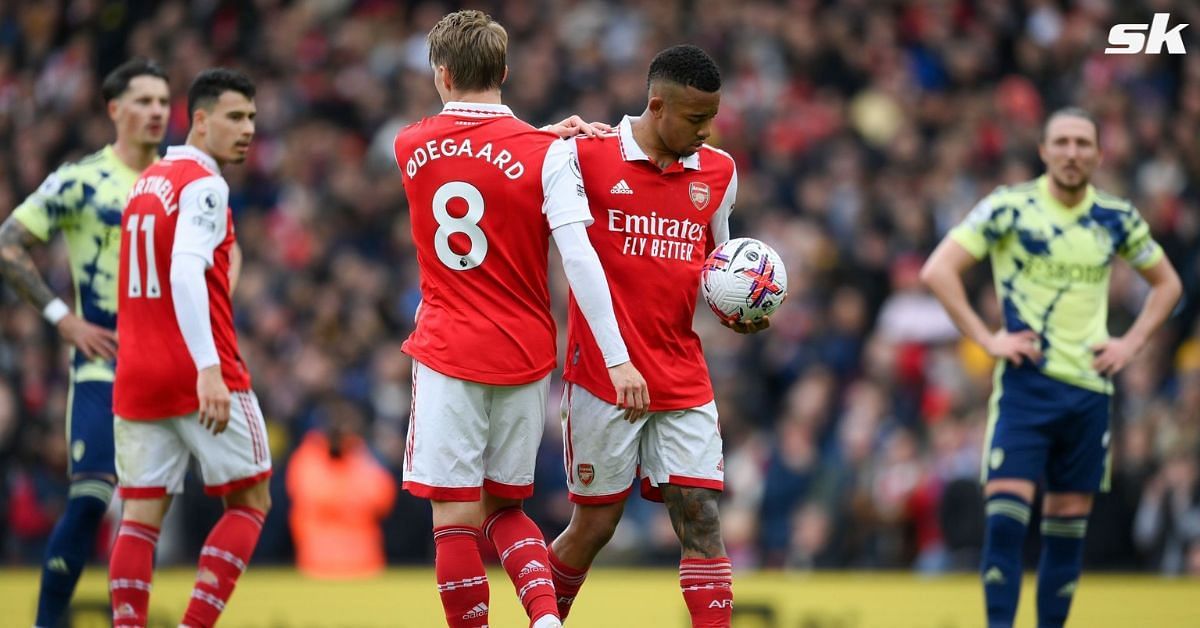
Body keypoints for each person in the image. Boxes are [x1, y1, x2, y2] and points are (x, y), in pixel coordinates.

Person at [394, 10, 648, 628]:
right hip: (524, 355)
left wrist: (536, 137)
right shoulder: (549, 154)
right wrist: (618, 358)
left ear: (441, 74)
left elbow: (471, 150)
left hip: (449, 351)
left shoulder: (409, 145)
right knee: (506, 510)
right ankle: (544, 619)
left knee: (455, 520)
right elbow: (579, 259)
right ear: (506, 70)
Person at [920, 107, 1182, 628]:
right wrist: (987, 337)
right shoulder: (1009, 208)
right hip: (1024, 389)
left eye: (1083, 143)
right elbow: (938, 270)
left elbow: (1168, 285)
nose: (1072, 152)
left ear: (1099, 154)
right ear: (1043, 150)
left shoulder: (1116, 217)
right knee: (1005, 524)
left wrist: (1129, 345)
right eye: (1061, 142)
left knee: (1066, 533)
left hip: (1088, 394)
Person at [549, 44, 770, 628]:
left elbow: (718, 267)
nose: (706, 133)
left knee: (700, 516)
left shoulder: (719, 173)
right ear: (657, 105)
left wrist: (738, 311)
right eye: (696, 120)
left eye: (712, 120)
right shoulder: (586, 156)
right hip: (603, 375)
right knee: (594, 527)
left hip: (681, 374)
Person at [0, 58, 168, 628]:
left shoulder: (184, 181)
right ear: (114, 109)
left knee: (160, 512)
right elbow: (8, 243)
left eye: (164, 102)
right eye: (144, 101)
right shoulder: (81, 180)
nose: (157, 112)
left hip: (174, 370)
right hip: (106, 365)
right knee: (92, 498)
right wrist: (61, 318)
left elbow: (227, 253)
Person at [107, 68, 267, 628]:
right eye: (234, 117)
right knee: (251, 501)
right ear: (199, 121)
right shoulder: (205, 184)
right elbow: (183, 272)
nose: (247, 128)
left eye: (251, 117)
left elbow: (168, 275)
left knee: (140, 517)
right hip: (199, 369)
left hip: (136, 373)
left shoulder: (147, 183)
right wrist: (207, 370)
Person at [287, 399, 396, 579]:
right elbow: (313, 495)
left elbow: (381, 498)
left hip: (364, 564)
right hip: (317, 564)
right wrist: (352, 499)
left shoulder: (361, 454)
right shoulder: (307, 456)